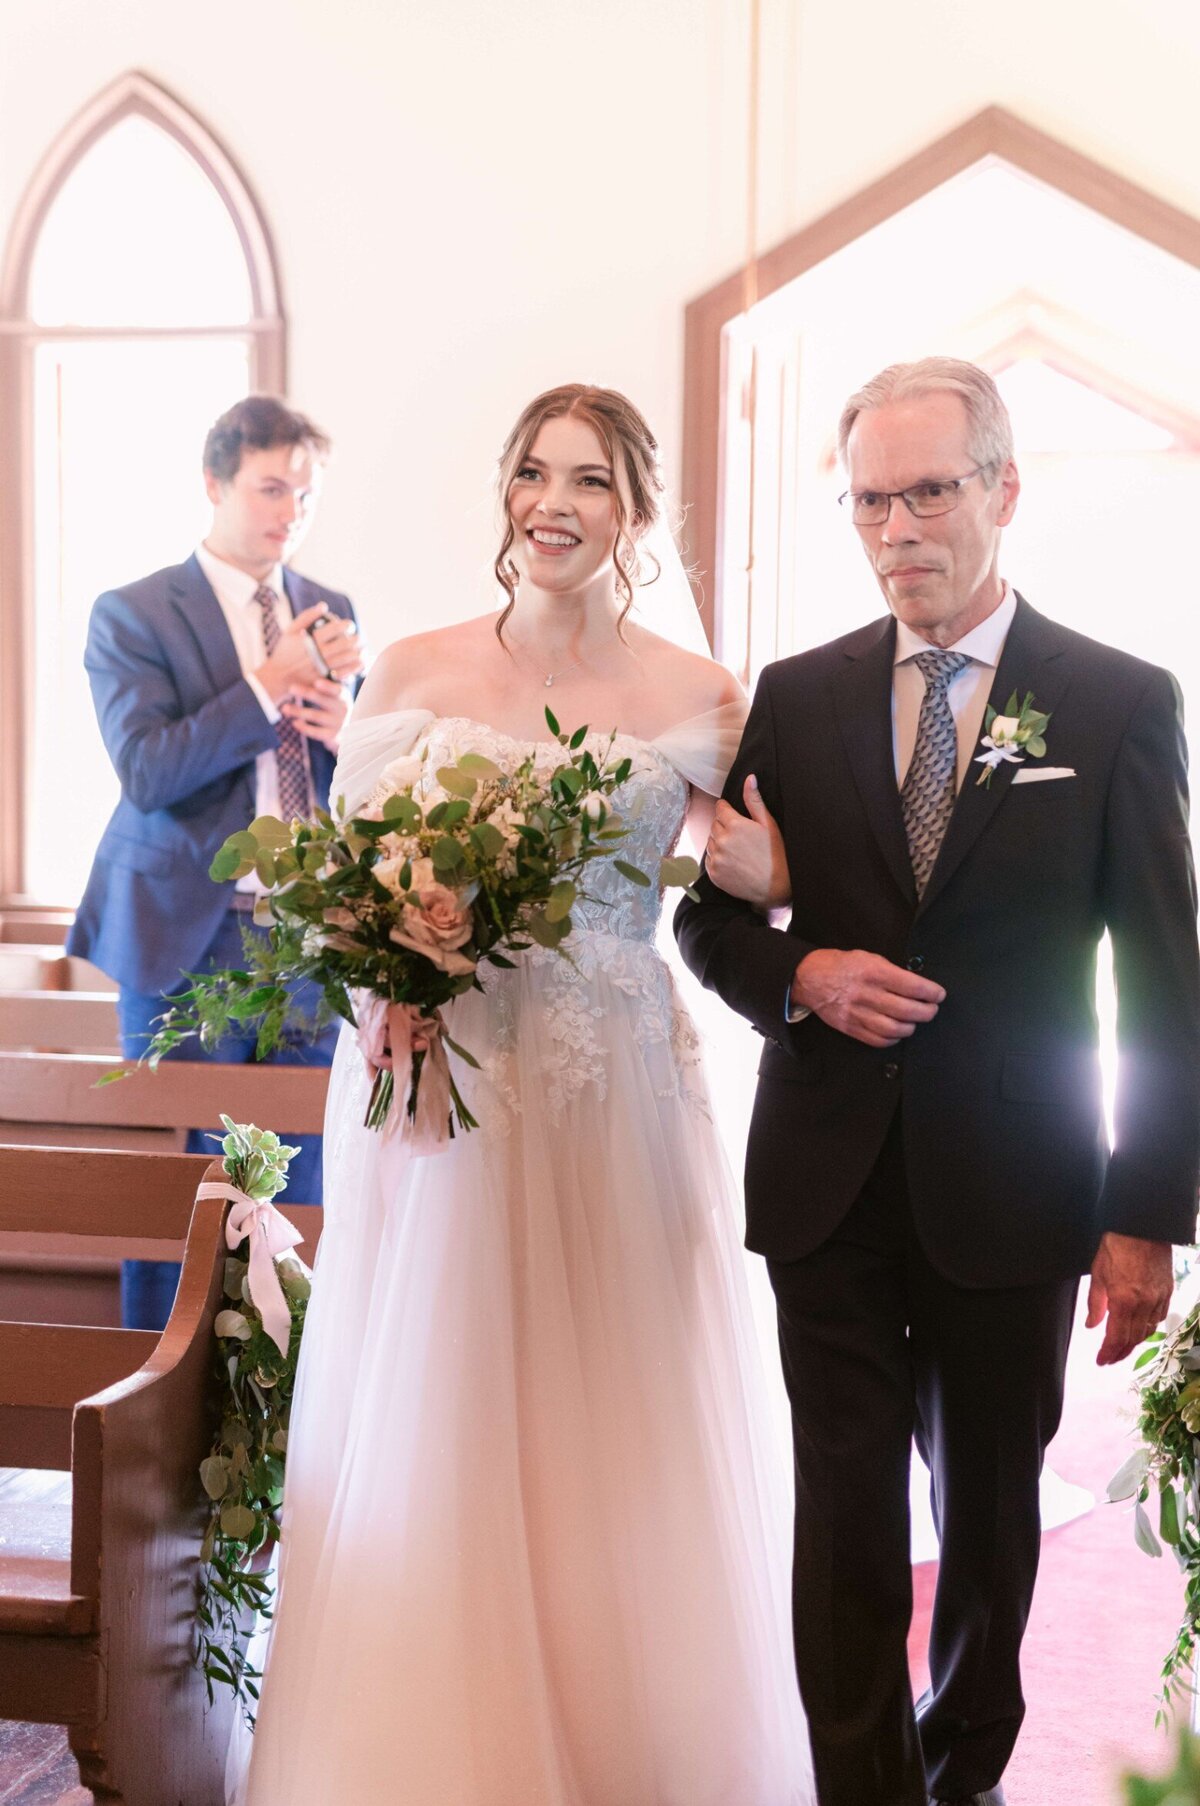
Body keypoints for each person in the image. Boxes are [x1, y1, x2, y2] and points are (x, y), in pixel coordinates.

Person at [230, 385, 814, 1805]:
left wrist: (766, 868)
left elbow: (777, 867)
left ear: (636, 510)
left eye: (592, 480)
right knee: (451, 1402)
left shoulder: (700, 694)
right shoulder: (419, 669)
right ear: (508, 493)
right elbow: (348, 883)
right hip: (454, 1088)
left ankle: (637, 1751)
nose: (556, 503)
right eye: (536, 474)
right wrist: (391, 999)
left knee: (617, 1409)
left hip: (614, 1079)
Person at [676, 356, 1200, 1806]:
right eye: (868, 502)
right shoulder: (793, 693)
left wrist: (1148, 1207)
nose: (897, 529)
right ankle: (861, 1789)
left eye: (927, 492)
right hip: (827, 1173)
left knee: (987, 1530)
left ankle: (958, 1773)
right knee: (842, 1512)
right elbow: (707, 912)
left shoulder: (1115, 700)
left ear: (1004, 490)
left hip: (1020, 1180)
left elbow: (1161, 974)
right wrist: (799, 977)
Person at [69, 395, 365, 1329]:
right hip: (187, 940)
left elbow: (342, 783)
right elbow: (148, 771)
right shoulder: (132, 613)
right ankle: (152, 1437)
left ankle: (277, 1419)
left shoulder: (332, 612)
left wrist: (350, 724)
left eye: (306, 495)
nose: (290, 512)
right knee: (181, 1197)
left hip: (310, 939)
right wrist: (263, 686)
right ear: (214, 483)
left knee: (298, 1188)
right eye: (271, 488)